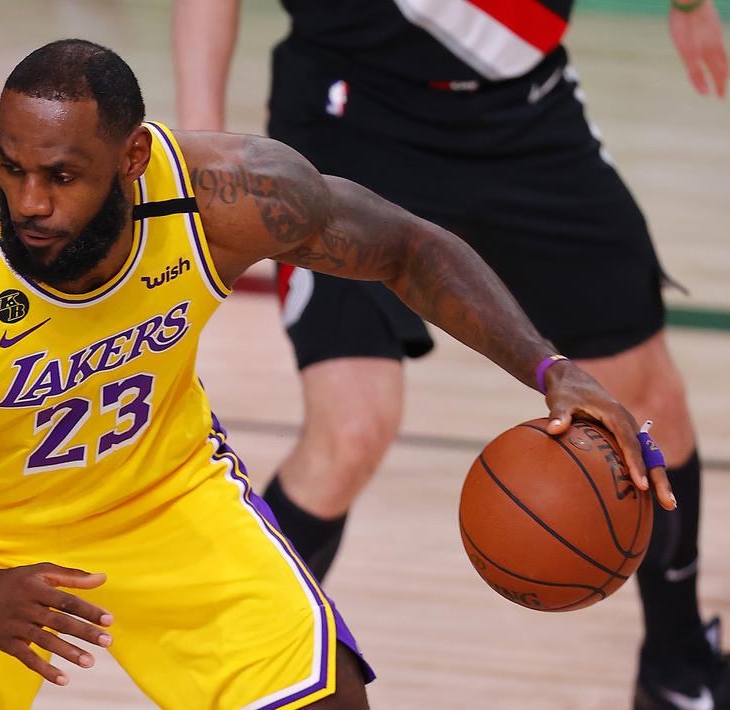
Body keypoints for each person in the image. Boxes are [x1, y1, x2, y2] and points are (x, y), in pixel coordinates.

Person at [0, 39, 671, 710]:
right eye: (14, 169)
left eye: (63, 176)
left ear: (135, 159)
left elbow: (408, 249)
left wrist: (549, 368)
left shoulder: (231, 197)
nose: (29, 202)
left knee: (329, 697)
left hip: (161, 500)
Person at [172, 2, 728, 707]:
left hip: (524, 114)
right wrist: (202, 148)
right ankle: (225, 674)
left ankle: (676, 671)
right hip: (349, 114)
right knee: (351, 430)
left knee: (647, 400)